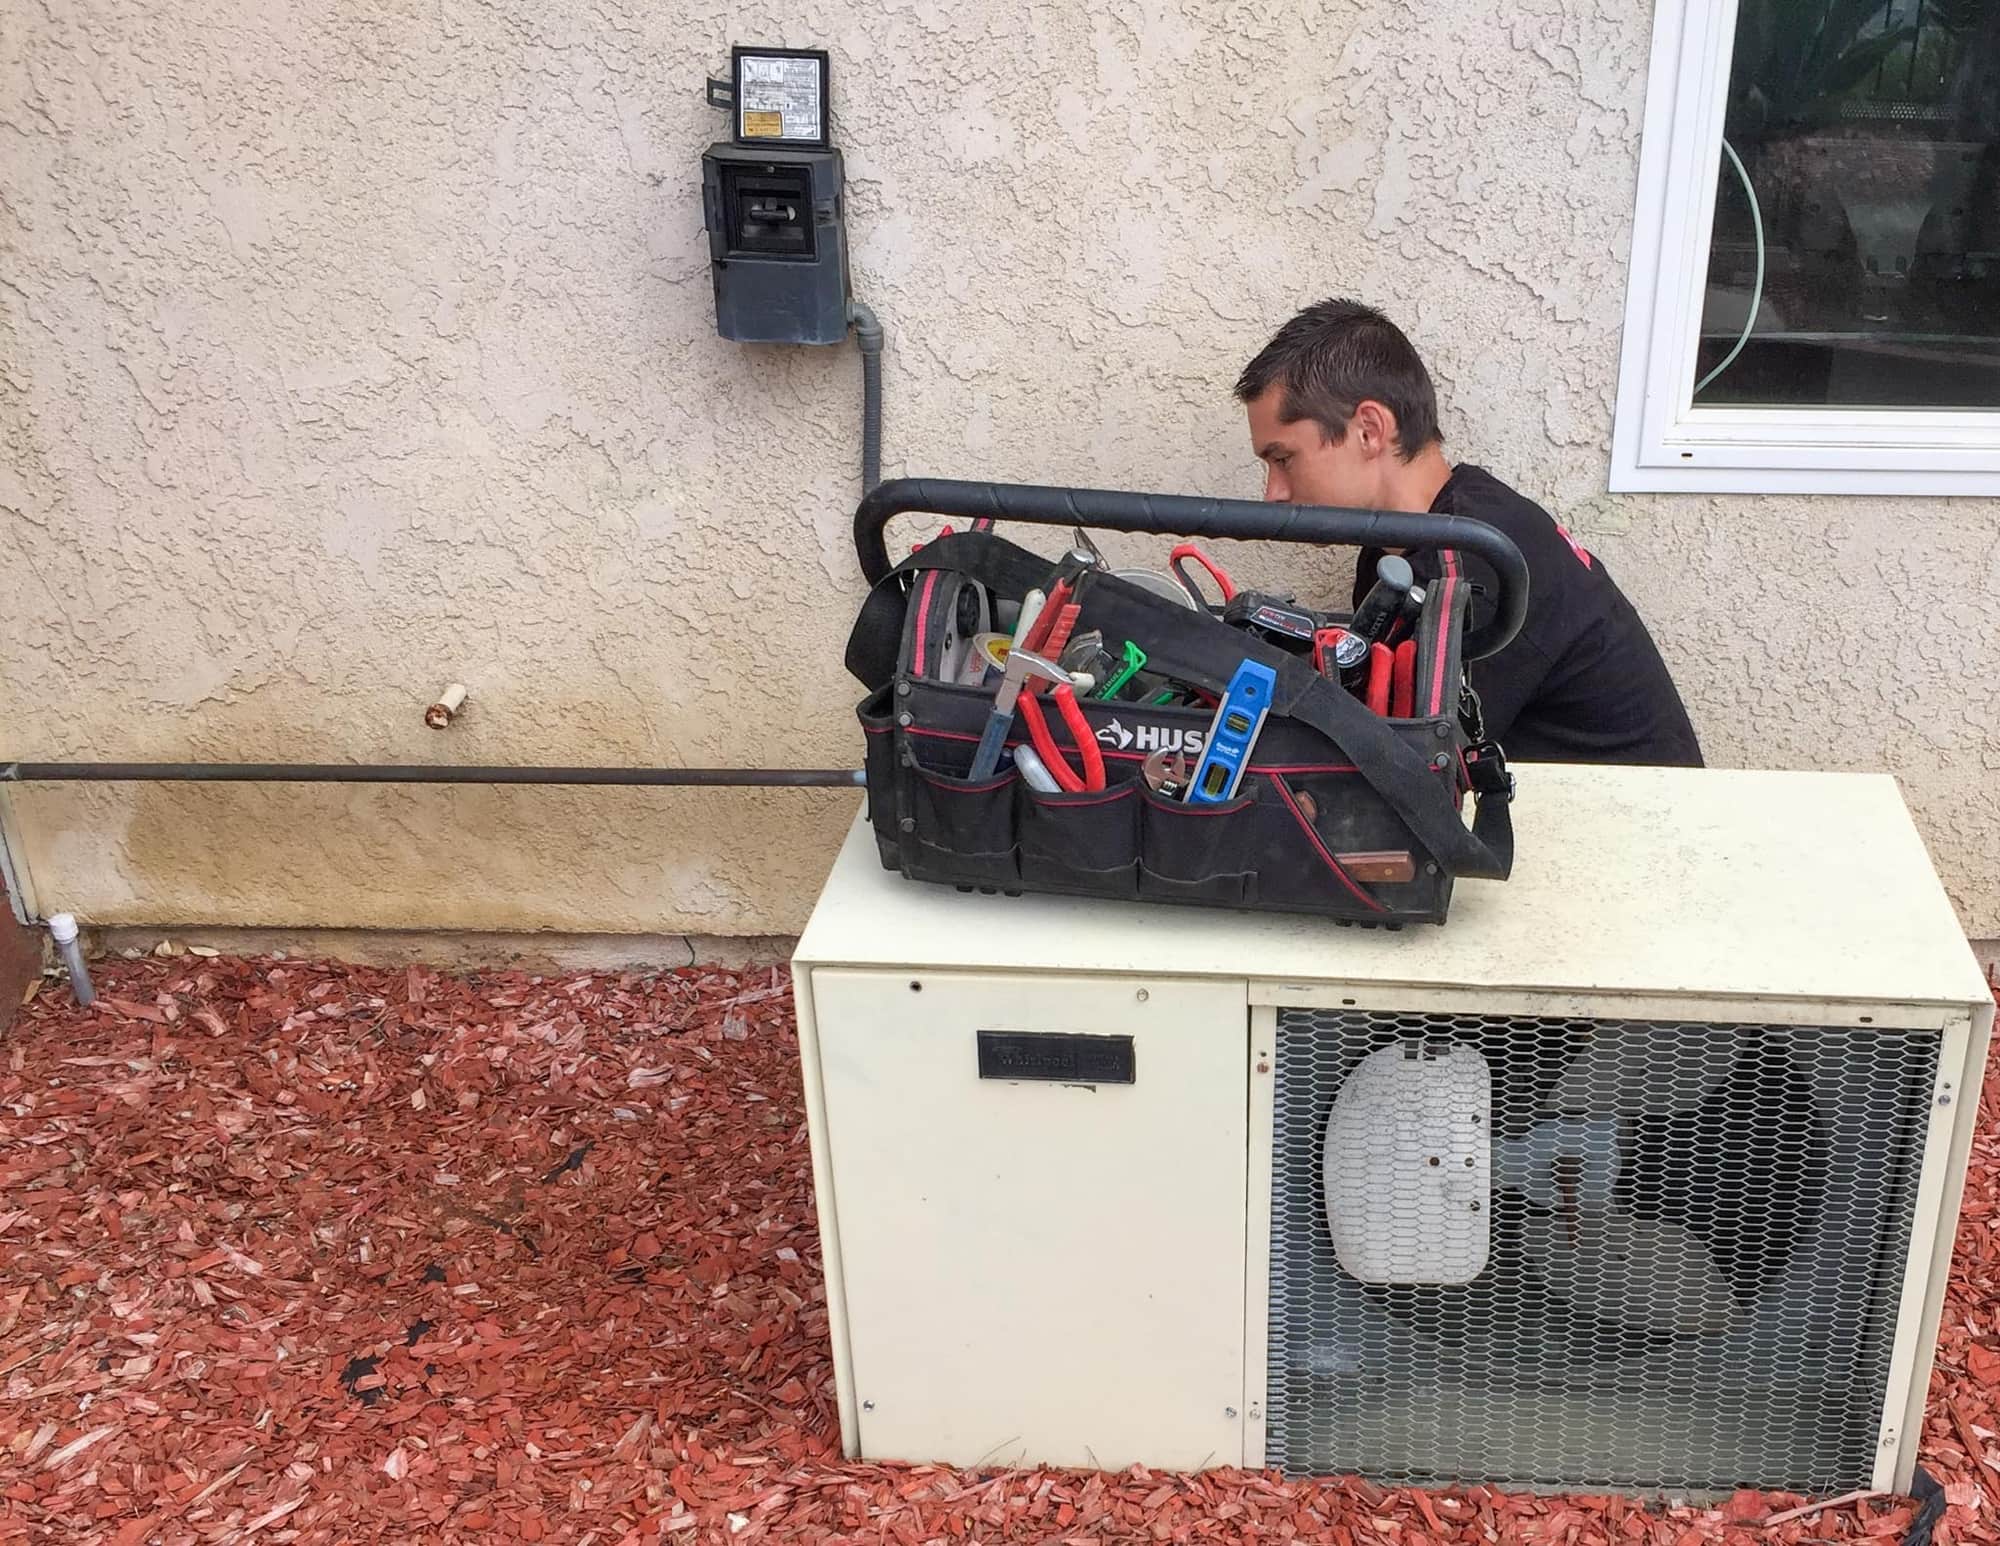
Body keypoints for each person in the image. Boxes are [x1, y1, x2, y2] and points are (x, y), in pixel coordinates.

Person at [1234, 298, 1703, 767]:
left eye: (1283, 458)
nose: (1273, 492)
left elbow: (1410, 773)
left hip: (1629, 822)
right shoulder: (1412, 544)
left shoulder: (1468, 568)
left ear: (1369, 430)